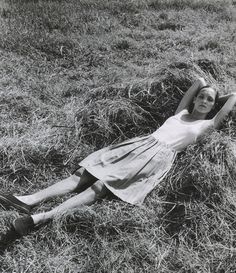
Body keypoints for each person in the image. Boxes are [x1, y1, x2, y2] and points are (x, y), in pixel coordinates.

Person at [1, 77, 236, 237]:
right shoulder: (180, 112)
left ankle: (42, 217)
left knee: (100, 187)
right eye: (202, 97)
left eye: (210, 100)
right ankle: (28, 199)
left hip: (155, 158)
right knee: (84, 173)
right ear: (195, 99)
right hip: (139, 144)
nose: (204, 101)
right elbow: (199, 82)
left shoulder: (207, 125)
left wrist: (221, 97)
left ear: (214, 106)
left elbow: (233, 97)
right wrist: (207, 87)